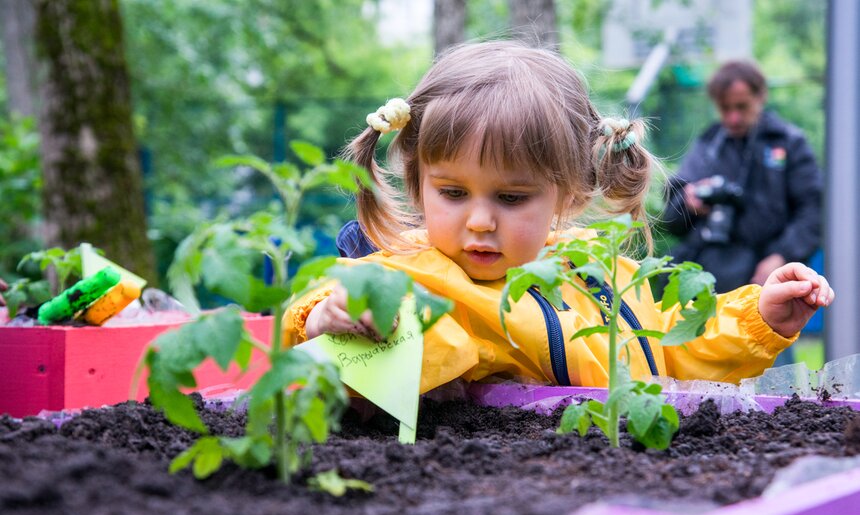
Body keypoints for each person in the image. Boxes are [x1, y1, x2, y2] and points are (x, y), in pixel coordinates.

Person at [283, 42, 833, 394]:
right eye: (452, 191)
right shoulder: (414, 279)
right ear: (418, 182)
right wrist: (329, 320)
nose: (479, 221)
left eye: (512, 198)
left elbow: (676, 344)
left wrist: (759, 316)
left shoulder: (596, 271)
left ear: (567, 196)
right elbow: (378, 329)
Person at [661, 60, 823, 294]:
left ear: (761, 97)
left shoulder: (788, 142)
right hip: (706, 271)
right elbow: (671, 219)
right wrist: (690, 203)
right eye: (725, 108)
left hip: (763, 272)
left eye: (742, 107)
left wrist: (781, 257)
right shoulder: (709, 144)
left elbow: (812, 211)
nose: (733, 118)